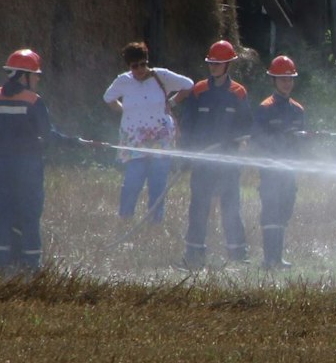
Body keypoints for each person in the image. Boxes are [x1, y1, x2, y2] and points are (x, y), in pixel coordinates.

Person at [0, 48, 86, 275]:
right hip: (28, 168)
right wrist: (72, 142)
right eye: (35, 75)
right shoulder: (34, 101)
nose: (37, 79)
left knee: (1, 212)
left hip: (1, 166)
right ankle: (30, 266)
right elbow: (48, 135)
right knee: (29, 213)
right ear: (23, 76)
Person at [177, 38, 251, 269]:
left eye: (218, 64)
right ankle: (194, 255)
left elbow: (246, 126)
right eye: (211, 63)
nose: (214, 67)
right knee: (198, 206)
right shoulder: (198, 90)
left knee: (231, 206)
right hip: (203, 161)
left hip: (228, 161)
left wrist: (233, 140)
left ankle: (238, 255)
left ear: (228, 65)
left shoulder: (238, 93)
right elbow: (187, 125)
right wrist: (188, 152)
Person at [101, 41, 195, 224]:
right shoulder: (123, 81)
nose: (140, 69)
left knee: (158, 185)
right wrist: (125, 111)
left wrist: (172, 103)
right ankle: (125, 221)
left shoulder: (161, 76)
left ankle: (155, 224)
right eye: (135, 66)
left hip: (160, 139)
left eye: (143, 64)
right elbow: (108, 98)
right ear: (129, 66)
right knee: (131, 183)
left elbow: (188, 85)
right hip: (135, 141)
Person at [252, 54, 308, 270]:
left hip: (289, 170)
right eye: (283, 79)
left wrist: (306, 138)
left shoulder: (298, 110)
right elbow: (258, 139)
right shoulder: (265, 108)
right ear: (273, 80)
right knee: (271, 211)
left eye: (290, 79)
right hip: (271, 171)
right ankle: (269, 259)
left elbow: (299, 144)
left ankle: (279, 257)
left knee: (285, 210)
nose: (288, 83)